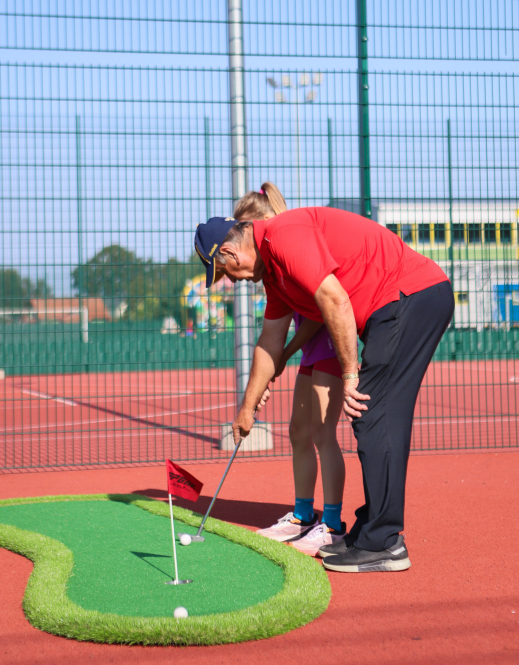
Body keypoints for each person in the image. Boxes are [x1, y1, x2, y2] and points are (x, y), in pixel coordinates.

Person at [194, 206, 454, 572]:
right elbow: (270, 343)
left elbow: (335, 300)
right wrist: (247, 408)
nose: (230, 281)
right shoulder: (275, 274)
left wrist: (350, 375)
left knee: (372, 412)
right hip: (401, 303)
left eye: (224, 272)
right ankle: (372, 530)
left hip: (410, 296)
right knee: (373, 416)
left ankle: (385, 543)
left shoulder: (283, 235)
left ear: (231, 252)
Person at [233, 183, 348, 555]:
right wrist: (279, 359)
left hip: (327, 342)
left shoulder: (290, 245)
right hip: (308, 349)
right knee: (298, 430)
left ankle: (332, 523)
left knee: (322, 432)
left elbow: (318, 315)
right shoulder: (272, 271)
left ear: (262, 222)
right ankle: (302, 515)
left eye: (245, 228)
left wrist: (284, 356)